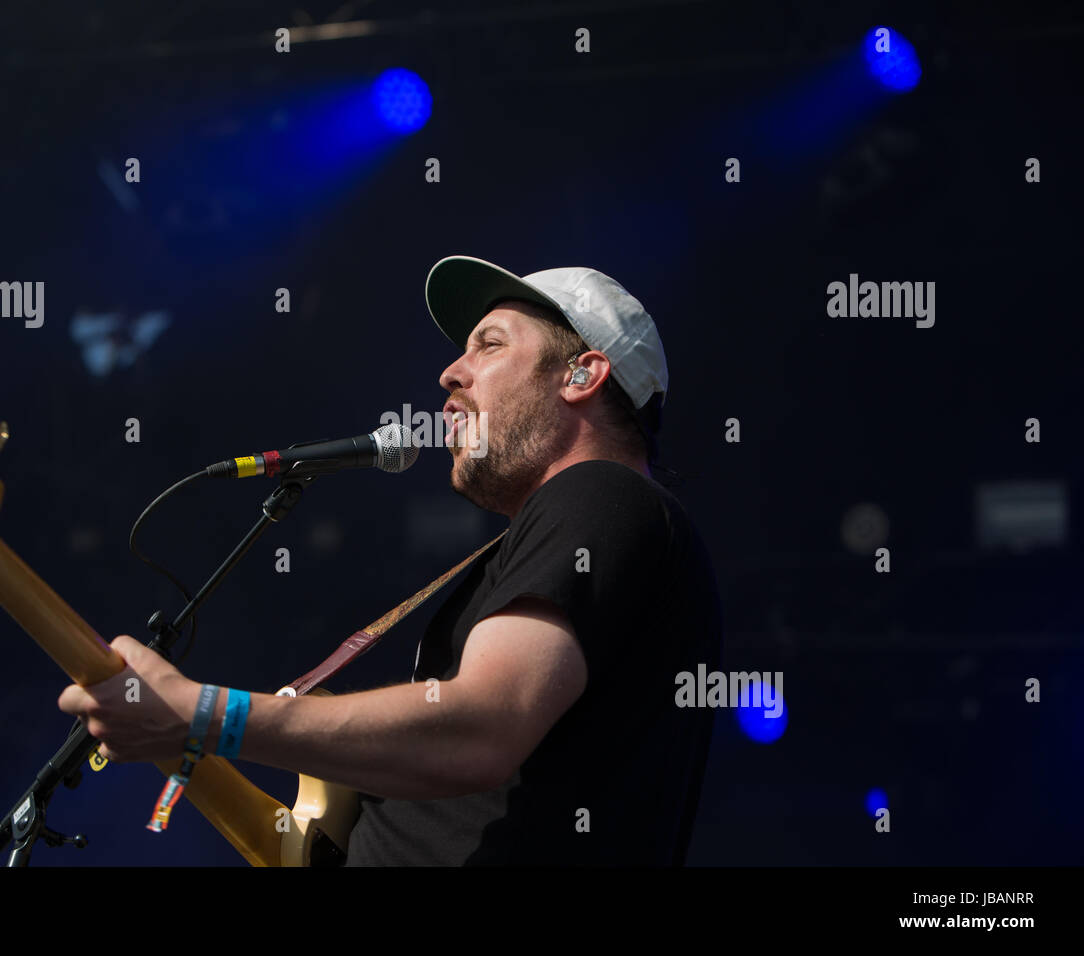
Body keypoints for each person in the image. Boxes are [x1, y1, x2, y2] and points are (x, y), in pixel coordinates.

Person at [58, 255, 723, 865]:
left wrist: (205, 715)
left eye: (490, 344)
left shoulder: (602, 494)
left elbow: (480, 728)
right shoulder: (595, 528)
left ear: (583, 374)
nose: (449, 373)